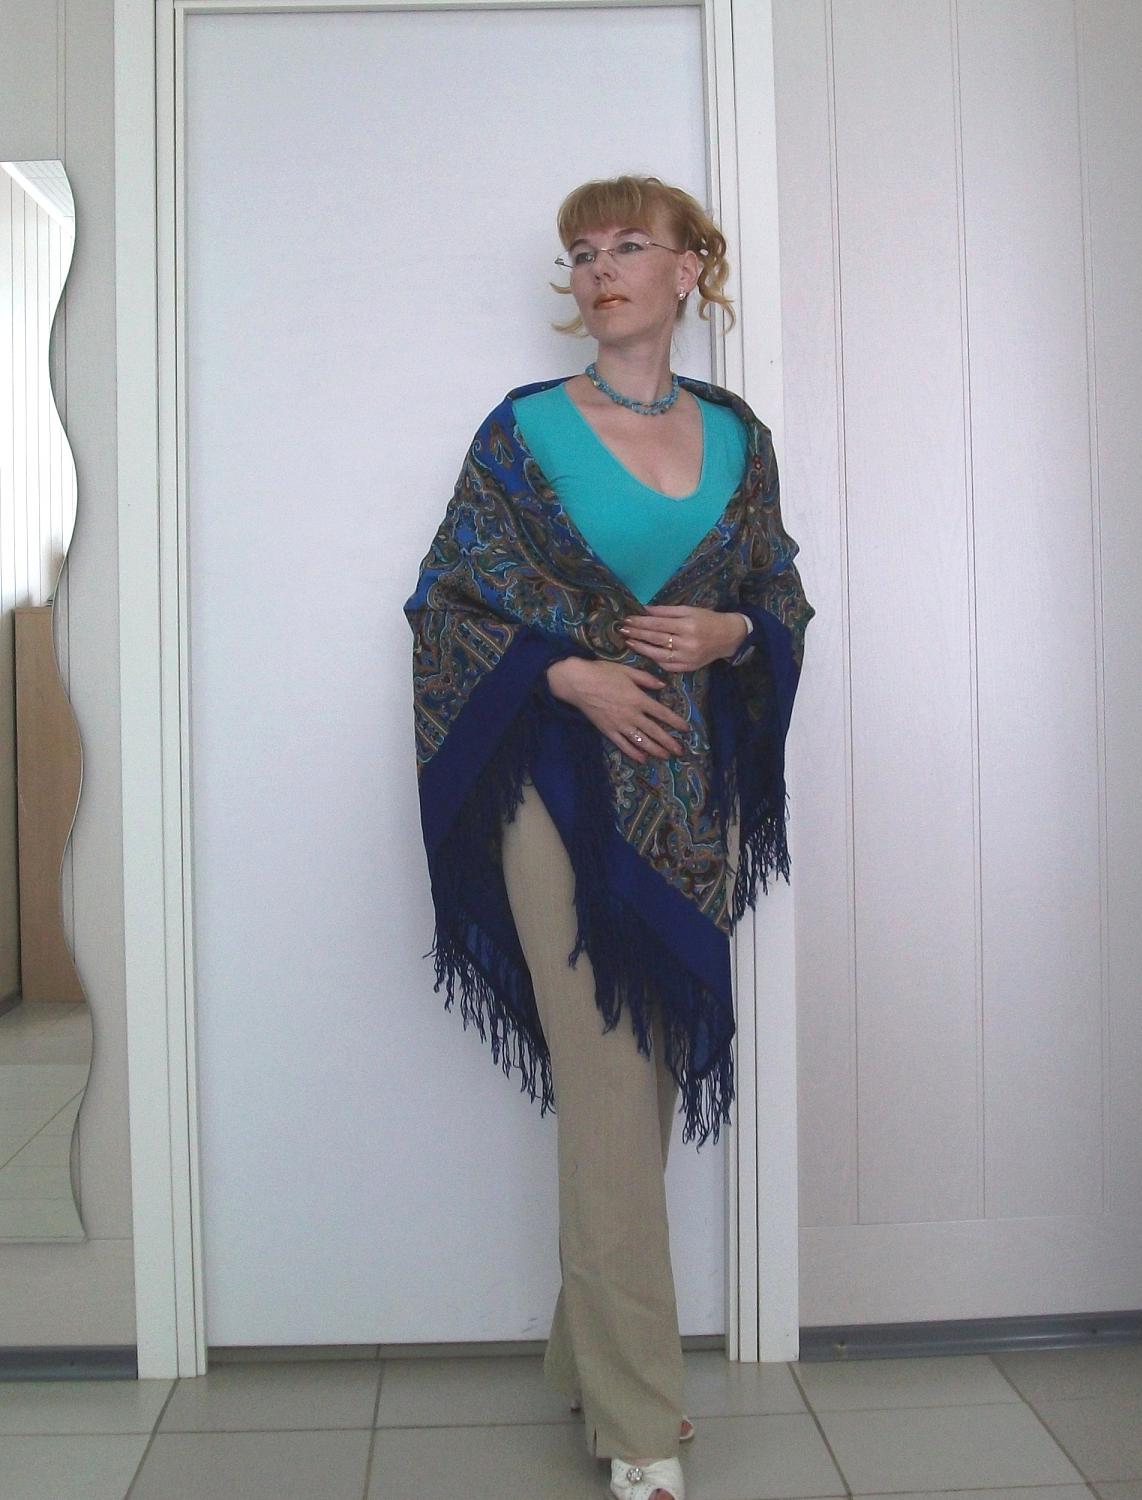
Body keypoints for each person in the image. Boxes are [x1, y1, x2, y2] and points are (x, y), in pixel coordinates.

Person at [404, 174, 814, 1500]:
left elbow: (778, 596)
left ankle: (586, 1359)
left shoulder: (739, 437)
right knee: (606, 1084)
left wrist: (730, 632)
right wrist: (569, 674)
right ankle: (640, 1423)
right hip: (557, 793)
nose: (601, 268)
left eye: (631, 244)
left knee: (636, 1087)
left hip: (685, 798)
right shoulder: (522, 434)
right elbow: (445, 602)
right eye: (582, 251)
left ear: (690, 268)